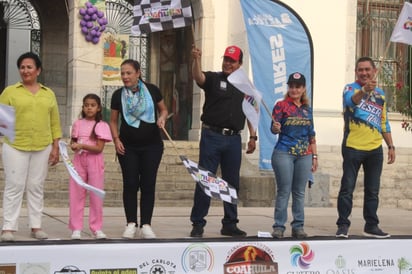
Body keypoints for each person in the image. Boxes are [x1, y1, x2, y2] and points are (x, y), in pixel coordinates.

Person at [190, 45, 257, 238]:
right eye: (226, 59)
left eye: (232, 61)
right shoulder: (214, 78)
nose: (228, 63)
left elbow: (250, 111)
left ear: (240, 64)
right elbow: (198, 77)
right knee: (206, 179)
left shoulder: (246, 86)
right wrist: (196, 59)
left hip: (234, 139)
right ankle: (198, 222)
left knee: (232, 182)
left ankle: (230, 223)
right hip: (212, 136)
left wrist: (252, 137)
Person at [0, 52, 62, 242]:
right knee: (14, 186)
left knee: (36, 186)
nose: (25, 70)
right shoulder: (10, 92)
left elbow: (55, 122)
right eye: (22, 67)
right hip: (15, 146)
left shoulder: (48, 93)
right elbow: (3, 123)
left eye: (29, 67)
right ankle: (8, 228)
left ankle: (36, 226)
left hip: (42, 145)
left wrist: (55, 146)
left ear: (38, 70)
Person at [336, 56, 395, 239]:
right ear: (356, 72)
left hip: (375, 149)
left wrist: (390, 145)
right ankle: (343, 225)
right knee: (347, 188)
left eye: (367, 69)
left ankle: (371, 225)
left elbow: (383, 122)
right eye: (360, 70)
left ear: (374, 71)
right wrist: (363, 90)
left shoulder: (381, 95)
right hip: (353, 147)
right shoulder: (350, 88)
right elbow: (350, 101)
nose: (364, 73)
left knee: (373, 190)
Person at [109, 59, 168, 239]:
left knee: (148, 184)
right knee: (131, 184)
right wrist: (116, 139)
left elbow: (164, 110)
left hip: (152, 146)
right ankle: (131, 223)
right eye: (122, 73)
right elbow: (112, 121)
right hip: (128, 147)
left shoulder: (152, 90)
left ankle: (146, 224)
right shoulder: (118, 95)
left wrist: (162, 118)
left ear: (138, 73)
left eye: (128, 73)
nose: (125, 77)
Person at [270, 72, 318, 239]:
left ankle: (298, 226)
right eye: (291, 86)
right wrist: (276, 127)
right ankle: (279, 226)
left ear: (304, 88)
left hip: (304, 154)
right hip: (284, 152)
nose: (294, 90)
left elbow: (311, 134)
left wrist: (315, 156)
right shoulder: (281, 105)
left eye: (298, 87)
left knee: (299, 192)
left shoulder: (307, 110)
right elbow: (273, 127)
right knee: (284, 190)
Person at [69, 93, 112, 240]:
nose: (89, 108)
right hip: (79, 160)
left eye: (92, 105)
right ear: (83, 107)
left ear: (98, 108)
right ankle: (76, 228)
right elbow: (73, 143)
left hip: (95, 161)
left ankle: (96, 227)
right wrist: (74, 147)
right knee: (76, 193)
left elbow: (99, 148)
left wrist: (82, 145)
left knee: (95, 194)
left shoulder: (101, 125)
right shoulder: (78, 124)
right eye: (86, 105)